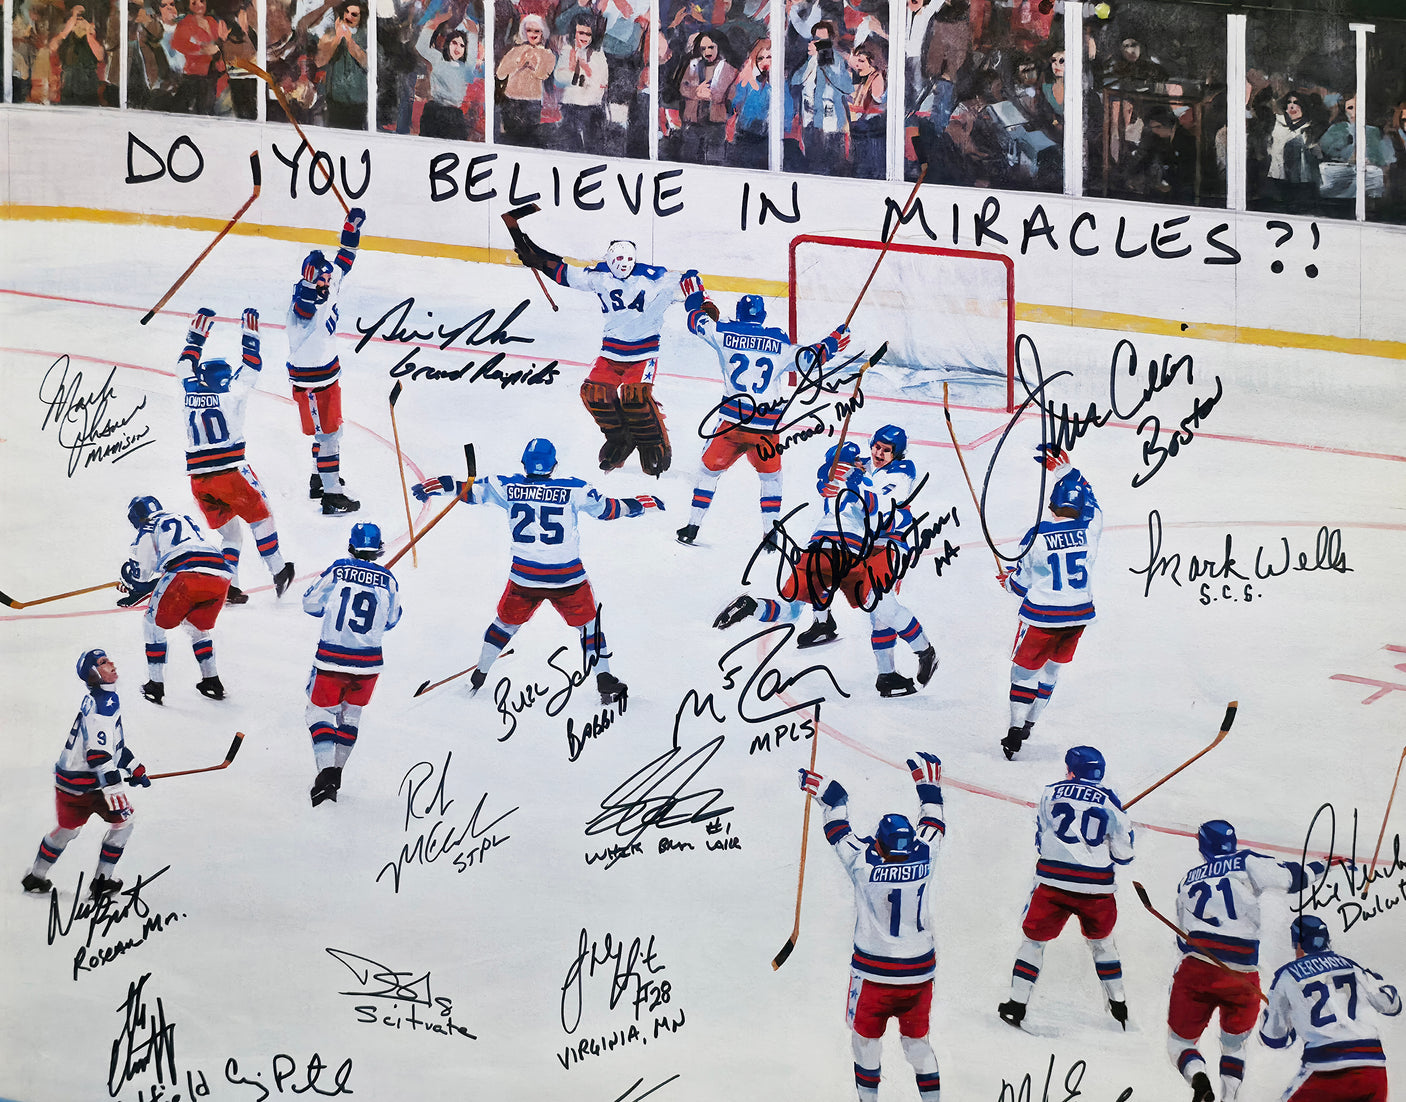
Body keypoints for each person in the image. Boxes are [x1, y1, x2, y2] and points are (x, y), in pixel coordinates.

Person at [411, 438, 663, 705]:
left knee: (504, 624)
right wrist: (639, 504)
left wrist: (434, 487)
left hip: (524, 578)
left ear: (524, 463)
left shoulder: (508, 486)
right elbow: (607, 510)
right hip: (568, 579)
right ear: (554, 465)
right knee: (589, 626)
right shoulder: (575, 489)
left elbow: (467, 490)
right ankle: (604, 679)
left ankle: (480, 673)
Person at [713, 427, 938, 698]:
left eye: (885, 450)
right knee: (875, 605)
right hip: (856, 546)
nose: (878, 453)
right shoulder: (862, 466)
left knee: (877, 608)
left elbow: (880, 503)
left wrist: (850, 481)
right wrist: (830, 474)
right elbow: (838, 471)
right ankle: (890, 669)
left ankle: (920, 653)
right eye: (876, 447)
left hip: (888, 542)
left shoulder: (902, 473)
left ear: (897, 453)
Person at [797, 751, 946, 1102]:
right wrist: (929, 789)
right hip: (919, 972)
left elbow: (838, 823)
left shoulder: (862, 863)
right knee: (917, 1044)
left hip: (874, 973)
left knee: (864, 1043)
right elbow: (934, 821)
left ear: (878, 842)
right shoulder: (926, 853)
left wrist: (827, 792)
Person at [508, 230, 698, 477]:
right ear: (609, 260)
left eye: (627, 260)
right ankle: (621, 437)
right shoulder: (600, 276)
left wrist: (702, 305)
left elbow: (690, 280)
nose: (623, 265)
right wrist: (537, 257)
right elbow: (564, 273)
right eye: (617, 260)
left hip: (643, 352)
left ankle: (654, 444)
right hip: (611, 352)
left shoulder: (655, 278)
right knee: (594, 394)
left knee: (635, 397)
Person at [675, 281, 848, 551]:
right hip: (765, 428)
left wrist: (696, 298)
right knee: (771, 479)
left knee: (708, 473)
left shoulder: (724, 331)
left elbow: (697, 321)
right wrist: (833, 342)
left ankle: (692, 527)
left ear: (739, 314)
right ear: (762, 316)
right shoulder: (779, 340)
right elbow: (809, 360)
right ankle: (770, 534)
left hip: (731, 423)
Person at [1167, 822, 1323, 1102]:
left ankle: (1199, 1080)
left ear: (1202, 846)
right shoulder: (1246, 861)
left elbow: (1182, 940)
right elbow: (1292, 879)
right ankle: (1229, 1099)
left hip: (1197, 969)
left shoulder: (1187, 879)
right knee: (1234, 1045)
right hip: (1243, 975)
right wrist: (1323, 866)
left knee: (1180, 1043)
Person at [998, 745, 1134, 1031]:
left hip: (1052, 883)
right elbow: (1124, 855)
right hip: (1097, 888)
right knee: (1103, 944)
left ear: (1071, 770)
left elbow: (1041, 838)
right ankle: (1119, 1004)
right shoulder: (1111, 802)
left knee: (1033, 942)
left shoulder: (1049, 792)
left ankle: (1016, 1004)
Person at [180, 306, 295, 605]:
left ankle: (227, 585)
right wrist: (250, 333)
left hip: (199, 481)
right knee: (262, 519)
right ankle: (279, 570)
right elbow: (252, 367)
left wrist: (197, 335)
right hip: (230, 474)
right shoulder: (232, 393)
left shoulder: (191, 389)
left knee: (231, 536)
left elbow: (184, 366)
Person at [998, 448, 1102, 761]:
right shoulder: (1090, 528)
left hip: (1043, 615)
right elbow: (1093, 503)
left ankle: (1016, 729)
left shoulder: (1036, 536)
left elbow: (1021, 584)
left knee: (1023, 674)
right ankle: (1031, 722)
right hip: (1079, 615)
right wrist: (1068, 472)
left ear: (1050, 504)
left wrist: (1006, 582)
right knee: (1052, 670)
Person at [21, 650, 150, 899]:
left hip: (67, 781)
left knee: (68, 830)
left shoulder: (99, 699)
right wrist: (114, 788)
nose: (111, 663)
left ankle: (35, 876)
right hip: (90, 783)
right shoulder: (103, 705)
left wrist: (134, 767)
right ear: (93, 674)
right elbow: (99, 756)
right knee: (124, 823)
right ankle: (102, 882)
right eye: (102, 663)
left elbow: (111, 748)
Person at [301, 522, 402, 806]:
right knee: (351, 715)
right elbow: (392, 620)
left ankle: (325, 773)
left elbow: (310, 604)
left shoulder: (338, 569)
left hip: (333, 656)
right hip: (369, 663)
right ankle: (338, 772)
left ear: (351, 545)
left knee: (318, 713)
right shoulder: (389, 580)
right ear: (379, 549)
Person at [1260, 916, 1401, 1102]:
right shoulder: (1353, 967)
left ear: (1298, 945)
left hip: (1326, 1070)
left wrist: (1285, 1024)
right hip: (1373, 1071)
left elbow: (1273, 1038)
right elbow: (1392, 1005)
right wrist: (1380, 982)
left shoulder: (1287, 976)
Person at [117, 495, 233, 705]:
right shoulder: (183, 518)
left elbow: (142, 576)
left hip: (185, 573)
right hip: (220, 574)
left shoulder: (148, 529)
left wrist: (127, 579)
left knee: (152, 624)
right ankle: (212, 680)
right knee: (195, 625)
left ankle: (155, 685)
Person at [288, 206, 366, 516]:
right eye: (321, 279)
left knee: (332, 431)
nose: (327, 281)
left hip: (326, 376)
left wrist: (352, 228)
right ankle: (332, 495)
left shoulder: (330, 282)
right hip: (311, 381)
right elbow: (305, 308)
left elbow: (345, 258)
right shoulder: (300, 298)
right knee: (328, 435)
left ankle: (318, 478)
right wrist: (309, 285)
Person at [790, 20, 852, 175]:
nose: (818, 43)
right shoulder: (810, 59)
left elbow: (846, 87)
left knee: (830, 165)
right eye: (816, 39)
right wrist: (812, 63)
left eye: (822, 41)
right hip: (810, 118)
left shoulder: (836, 59)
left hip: (830, 122)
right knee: (812, 162)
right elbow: (795, 80)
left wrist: (824, 64)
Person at [415, 11, 480, 140]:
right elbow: (421, 46)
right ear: (448, 44)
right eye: (454, 43)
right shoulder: (439, 59)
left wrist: (473, 34)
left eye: (462, 45)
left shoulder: (465, 67)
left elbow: (472, 54)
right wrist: (433, 23)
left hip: (454, 114)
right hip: (434, 111)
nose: (457, 48)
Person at [678, 31, 737, 166]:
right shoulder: (693, 65)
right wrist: (695, 93)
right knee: (689, 157)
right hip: (693, 121)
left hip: (716, 122)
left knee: (714, 159)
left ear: (719, 46)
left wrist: (710, 95)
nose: (707, 52)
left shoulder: (728, 69)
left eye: (711, 47)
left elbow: (727, 95)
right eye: (703, 48)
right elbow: (683, 87)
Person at [495, 13, 554, 143]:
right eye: (529, 30)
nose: (533, 34)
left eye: (537, 31)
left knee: (529, 139)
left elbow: (542, 74)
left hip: (532, 102)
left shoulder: (547, 54)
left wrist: (534, 64)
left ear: (543, 32)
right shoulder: (516, 50)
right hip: (511, 100)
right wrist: (518, 63)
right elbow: (500, 73)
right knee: (510, 139)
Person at [554, 16, 607, 151]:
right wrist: (576, 73)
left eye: (588, 34)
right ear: (574, 33)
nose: (584, 37)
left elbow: (601, 80)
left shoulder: (597, 54)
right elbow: (559, 76)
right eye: (580, 33)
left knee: (592, 144)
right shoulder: (567, 50)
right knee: (571, 143)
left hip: (591, 105)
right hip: (571, 103)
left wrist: (584, 70)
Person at [170, 0, 231, 114]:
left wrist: (223, 41)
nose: (200, 5)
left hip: (217, 72)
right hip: (196, 75)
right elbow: (178, 43)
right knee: (203, 110)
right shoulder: (185, 23)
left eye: (202, 1)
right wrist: (202, 50)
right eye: (194, 3)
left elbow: (221, 44)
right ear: (187, 5)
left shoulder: (212, 21)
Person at [316, 0, 368, 128]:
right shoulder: (331, 34)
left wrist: (349, 40)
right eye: (347, 12)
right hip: (334, 103)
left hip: (358, 105)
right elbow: (319, 61)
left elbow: (367, 63)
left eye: (354, 14)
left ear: (361, 18)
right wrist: (337, 39)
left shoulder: (366, 36)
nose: (348, 16)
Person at [728, 37, 772, 168]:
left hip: (768, 137)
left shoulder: (779, 83)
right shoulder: (747, 80)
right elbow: (736, 104)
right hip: (746, 134)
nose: (765, 61)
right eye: (760, 58)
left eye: (769, 57)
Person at [846, 38, 886, 180]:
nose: (858, 64)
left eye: (862, 61)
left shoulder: (876, 77)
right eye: (857, 60)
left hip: (872, 128)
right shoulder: (859, 76)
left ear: (872, 62)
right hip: (860, 126)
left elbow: (876, 102)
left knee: (869, 165)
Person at [50, 3, 104, 106]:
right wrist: (66, 31)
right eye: (75, 16)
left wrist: (89, 34)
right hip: (69, 82)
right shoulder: (65, 34)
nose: (78, 20)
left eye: (81, 16)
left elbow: (100, 56)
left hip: (89, 82)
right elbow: (52, 47)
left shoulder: (93, 35)